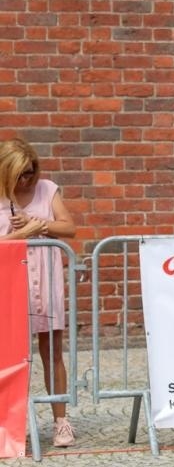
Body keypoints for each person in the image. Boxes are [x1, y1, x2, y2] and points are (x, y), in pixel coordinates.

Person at [0, 139, 79, 448]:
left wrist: (39, 224)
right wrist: (22, 233)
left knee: (52, 351)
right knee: (9, 354)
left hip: (45, 278)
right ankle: (12, 421)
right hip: (10, 281)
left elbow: (68, 227)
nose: (26, 179)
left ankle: (61, 421)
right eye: (20, 173)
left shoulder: (47, 189)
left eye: (30, 171)